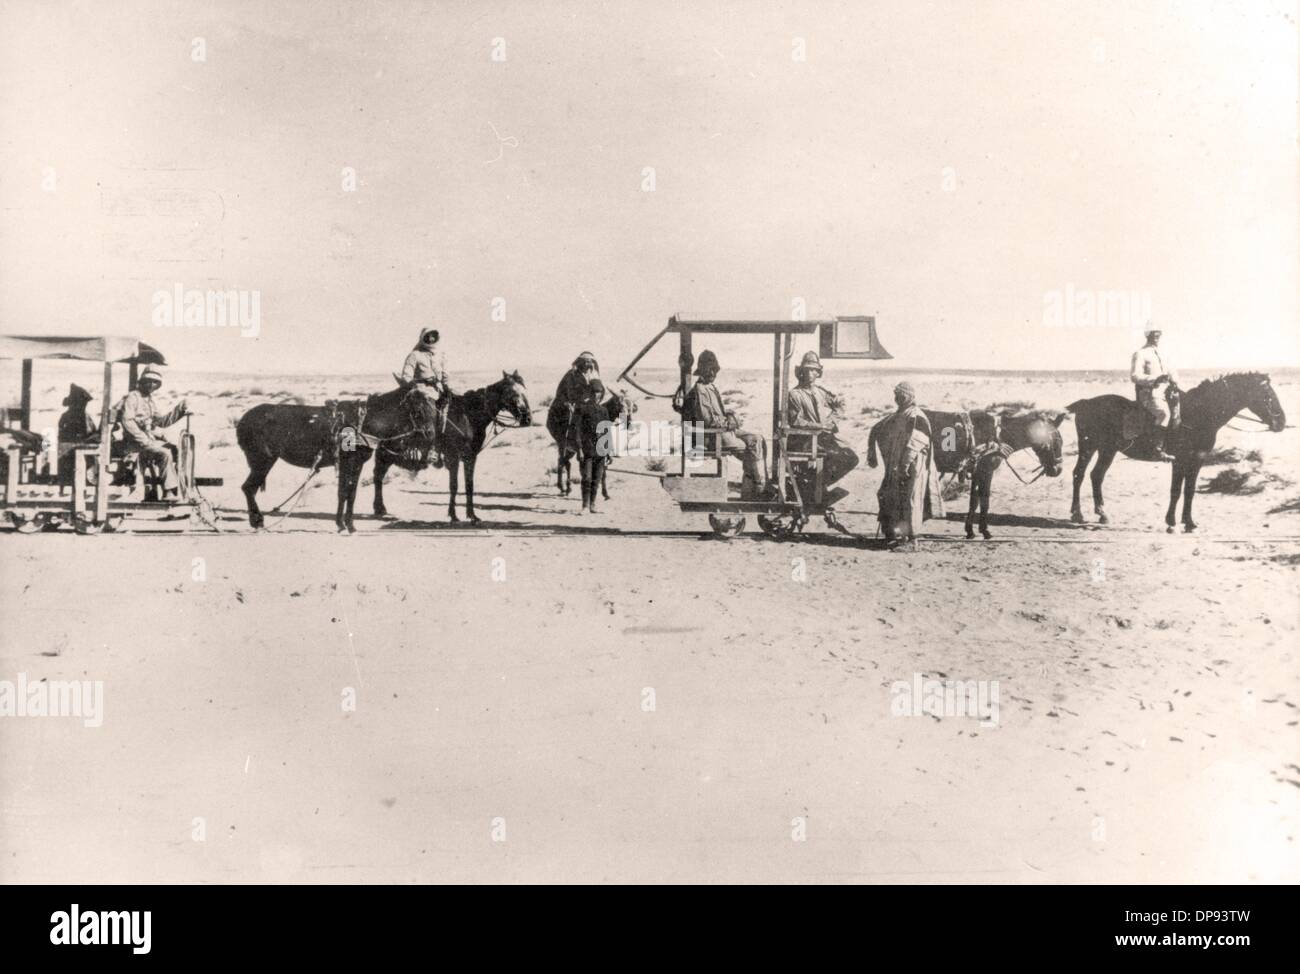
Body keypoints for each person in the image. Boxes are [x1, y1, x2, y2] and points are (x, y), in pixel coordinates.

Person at [680, 350, 768, 500]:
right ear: (703, 370)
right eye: (710, 369)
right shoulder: (700, 390)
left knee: (757, 439)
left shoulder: (711, 387)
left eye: (715, 369)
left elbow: (719, 412)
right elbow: (707, 420)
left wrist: (730, 416)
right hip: (712, 435)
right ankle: (757, 489)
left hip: (724, 430)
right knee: (750, 449)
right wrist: (729, 423)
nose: (714, 372)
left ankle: (757, 485)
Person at [870, 381, 943, 549]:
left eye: (902, 395)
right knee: (889, 496)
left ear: (910, 396)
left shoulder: (916, 416)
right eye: (897, 395)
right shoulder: (899, 415)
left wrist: (903, 466)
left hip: (913, 466)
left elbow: (916, 444)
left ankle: (912, 540)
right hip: (898, 466)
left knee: (911, 500)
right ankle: (895, 535)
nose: (898, 398)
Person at [786, 351, 859, 495]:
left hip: (822, 438)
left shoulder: (820, 392)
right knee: (834, 455)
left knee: (851, 458)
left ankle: (817, 484)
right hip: (803, 439)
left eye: (814, 370)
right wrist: (820, 426)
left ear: (818, 373)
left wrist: (831, 421)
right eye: (807, 370)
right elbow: (796, 421)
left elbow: (839, 405)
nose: (810, 373)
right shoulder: (795, 394)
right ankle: (815, 487)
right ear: (801, 372)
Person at [118, 367, 188, 497]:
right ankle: (168, 492)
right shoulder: (133, 397)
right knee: (164, 453)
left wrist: (180, 410)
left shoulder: (148, 400)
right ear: (142, 381)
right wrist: (144, 440)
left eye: (155, 382)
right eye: (148, 381)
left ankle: (177, 487)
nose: (151, 385)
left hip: (146, 441)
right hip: (133, 444)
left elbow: (161, 422)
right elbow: (127, 421)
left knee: (176, 450)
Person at [400, 326, 449, 464]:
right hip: (422, 392)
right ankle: (430, 450)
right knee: (430, 415)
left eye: (433, 336)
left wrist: (446, 386)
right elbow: (406, 376)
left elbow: (445, 374)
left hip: (439, 390)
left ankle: (446, 448)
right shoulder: (415, 355)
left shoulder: (440, 354)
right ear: (423, 338)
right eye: (428, 336)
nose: (431, 339)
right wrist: (423, 381)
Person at [1130, 323, 1178, 461]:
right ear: (1148, 335)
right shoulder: (1140, 354)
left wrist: (1175, 381)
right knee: (1164, 414)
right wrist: (1155, 379)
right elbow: (1134, 376)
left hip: (1167, 391)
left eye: (1159, 333)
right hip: (1150, 394)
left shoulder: (1163, 354)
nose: (1157, 336)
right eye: (1153, 333)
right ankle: (1157, 449)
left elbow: (1172, 371)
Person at [574, 378, 612, 515]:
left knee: (597, 479)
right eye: (595, 391)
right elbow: (576, 430)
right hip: (586, 450)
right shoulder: (581, 409)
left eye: (600, 392)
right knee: (587, 478)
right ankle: (585, 506)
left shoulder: (604, 410)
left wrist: (608, 452)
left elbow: (607, 432)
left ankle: (593, 505)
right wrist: (579, 449)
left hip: (601, 450)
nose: (597, 394)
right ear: (590, 392)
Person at [57, 383, 98, 483]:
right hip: (69, 452)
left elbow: (92, 431)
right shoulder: (68, 417)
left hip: (76, 448)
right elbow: (67, 438)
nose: (83, 405)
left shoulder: (85, 416)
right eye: (81, 403)